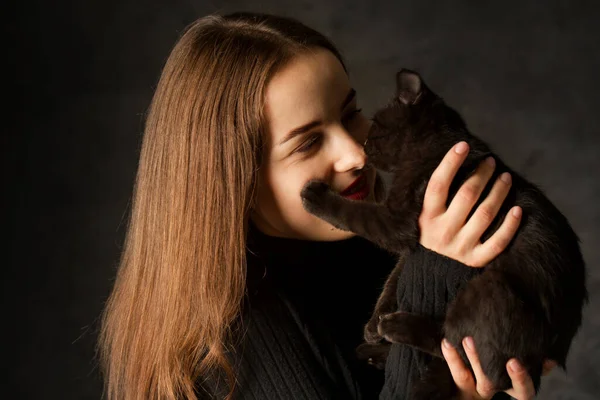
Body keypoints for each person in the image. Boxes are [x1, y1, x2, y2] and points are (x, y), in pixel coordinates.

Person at [97, 12, 557, 400]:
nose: (356, 154)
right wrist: (431, 262)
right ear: (233, 182)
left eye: (350, 113)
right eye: (309, 142)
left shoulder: (368, 255)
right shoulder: (235, 337)